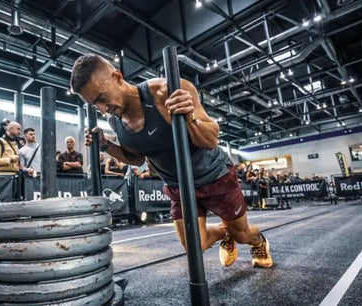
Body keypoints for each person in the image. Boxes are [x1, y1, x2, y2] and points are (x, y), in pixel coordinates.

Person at [74, 54, 272, 268]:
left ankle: (257, 242)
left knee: (242, 234)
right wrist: (106, 145)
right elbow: (137, 158)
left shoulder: (165, 92)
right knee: (195, 244)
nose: (102, 109)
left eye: (102, 98)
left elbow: (210, 139)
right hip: (178, 186)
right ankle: (226, 234)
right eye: (95, 105)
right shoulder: (115, 119)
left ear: (117, 76)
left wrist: (189, 117)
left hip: (214, 175)